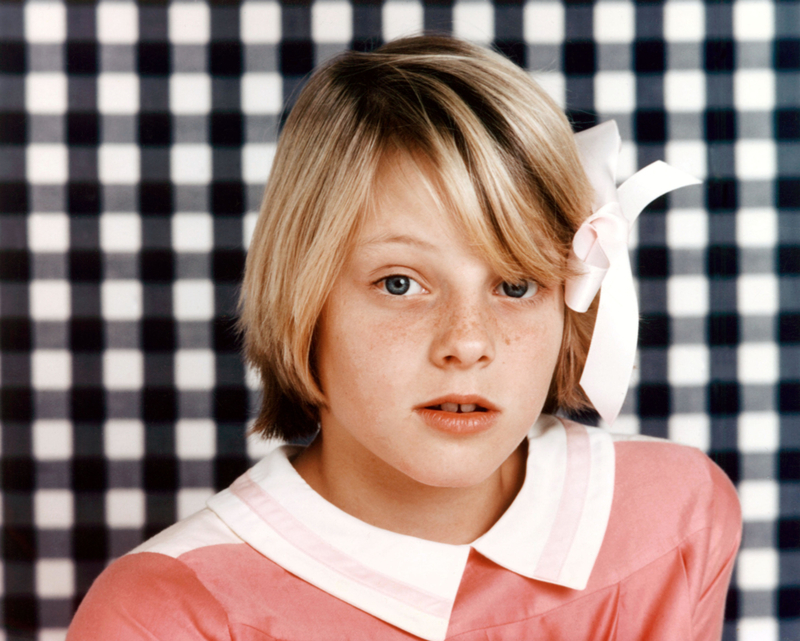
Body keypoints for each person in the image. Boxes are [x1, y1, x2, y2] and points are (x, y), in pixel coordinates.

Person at [67, 35, 741, 640]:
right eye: (399, 283)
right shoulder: (164, 615)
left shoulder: (672, 519)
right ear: (307, 300)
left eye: (515, 286)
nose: (467, 343)